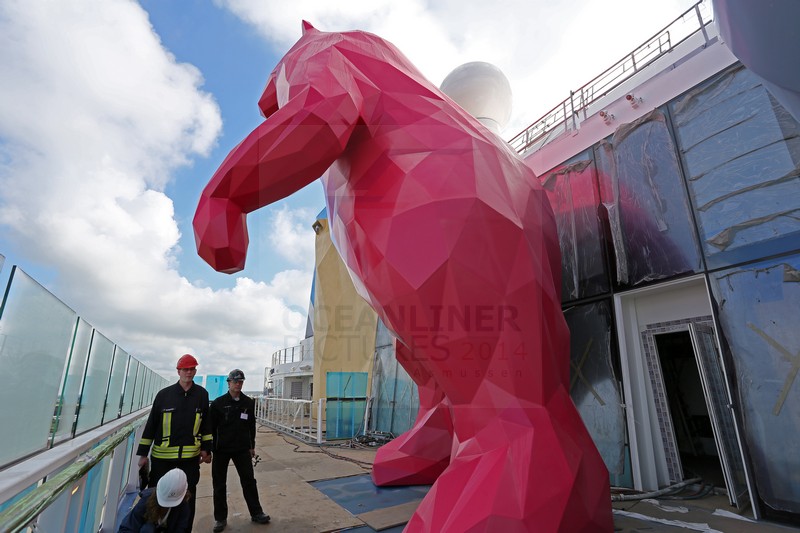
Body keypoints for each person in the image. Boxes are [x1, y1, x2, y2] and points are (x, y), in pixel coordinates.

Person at [136, 354, 212, 532]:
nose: (189, 372)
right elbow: (152, 425)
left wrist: (206, 450)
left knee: (187, 499)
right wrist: (143, 455)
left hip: (189, 461)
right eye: (185, 369)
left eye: (192, 369)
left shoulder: (201, 395)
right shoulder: (164, 396)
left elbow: (206, 425)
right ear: (178, 371)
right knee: (157, 499)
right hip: (162, 460)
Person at [209, 369, 270, 532]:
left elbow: (251, 426)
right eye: (235, 381)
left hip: (242, 449)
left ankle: (256, 513)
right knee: (219, 484)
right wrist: (209, 449)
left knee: (249, 481)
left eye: (241, 382)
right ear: (229, 383)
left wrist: (252, 446)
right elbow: (210, 428)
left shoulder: (248, 403)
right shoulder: (217, 404)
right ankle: (220, 519)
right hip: (221, 450)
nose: (238, 384)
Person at [118, 468, 191, 533]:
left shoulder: (183, 506)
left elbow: (181, 528)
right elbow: (128, 526)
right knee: (147, 529)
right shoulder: (146, 499)